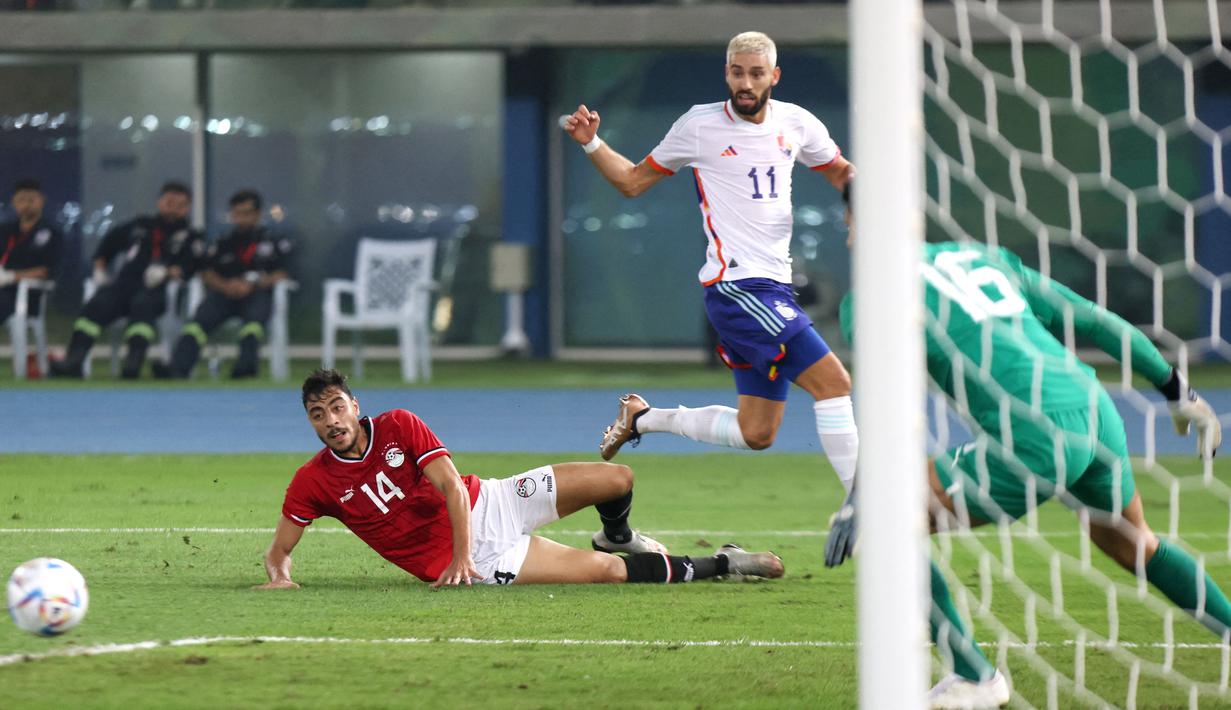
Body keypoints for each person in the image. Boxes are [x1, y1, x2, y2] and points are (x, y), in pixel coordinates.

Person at [827, 240, 1226, 708]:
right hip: (1095, 412)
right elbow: (1092, 318)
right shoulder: (980, 257)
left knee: (885, 524)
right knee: (1135, 543)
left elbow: (886, 401)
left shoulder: (872, 297)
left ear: (855, 226)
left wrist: (862, 494)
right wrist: (1176, 388)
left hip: (1035, 435)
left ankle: (974, 675)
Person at [562, 31, 861, 499]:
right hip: (739, 289)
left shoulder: (797, 123)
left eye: (756, 73)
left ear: (774, 76)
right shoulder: (699, 126)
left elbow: (842, 170)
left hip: (775, 289)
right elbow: (633, 182)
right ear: (727, 73)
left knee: (756, 432)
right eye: (737, 72)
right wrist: (592, 142)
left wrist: (856, 204)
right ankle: (861, 504)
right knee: (834, 382)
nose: (746, 82)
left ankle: (643, 418)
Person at [255, 369, 784, 590]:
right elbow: (280, 549)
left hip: (494, 502)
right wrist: (279, 574)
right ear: (311, 421)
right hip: (487, 561)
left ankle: (617, 532)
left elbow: (453, 488)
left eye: (336, 407)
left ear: (355, 406)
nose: (331, 421)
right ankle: (727, 563)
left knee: (617, 477)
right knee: (609, 574)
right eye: (318, 414)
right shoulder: (314, 481)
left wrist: (459, 552)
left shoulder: (399, 424)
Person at [49, 181, 204, 379]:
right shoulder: (140, 225)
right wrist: (100, 270)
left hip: (158, 290)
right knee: (97, 304)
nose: (173, 208)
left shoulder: (191, 236)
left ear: (187, 208)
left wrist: (165, 273)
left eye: (179, 204)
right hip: (124, 285)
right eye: (169, 202)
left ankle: (133, 362)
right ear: (160, 202)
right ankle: (74, 360)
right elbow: (106, 247)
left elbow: (191, 267)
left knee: (143, 306)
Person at [154, 190, 292, 379]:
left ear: (257, 214)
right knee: (198, 323)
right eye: (236, 213)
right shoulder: (222, 242)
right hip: (223, 294)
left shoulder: (273, 241)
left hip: (256, 293)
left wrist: (252, 284)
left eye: (246, 213)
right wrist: (225, 286)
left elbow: (282, 272)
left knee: (253, 324)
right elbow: (206, 272)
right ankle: (178, 369)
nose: (240, 218)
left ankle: (246, 367)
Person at [0, 179, 62, 328]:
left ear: (42, 200)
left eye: (31, 199)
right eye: (21, 200)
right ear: (14, 202)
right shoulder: (5, 230)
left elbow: (46, 271)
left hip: (27, 295)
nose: (26, 204)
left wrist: (11, 277)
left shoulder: (52, 233)